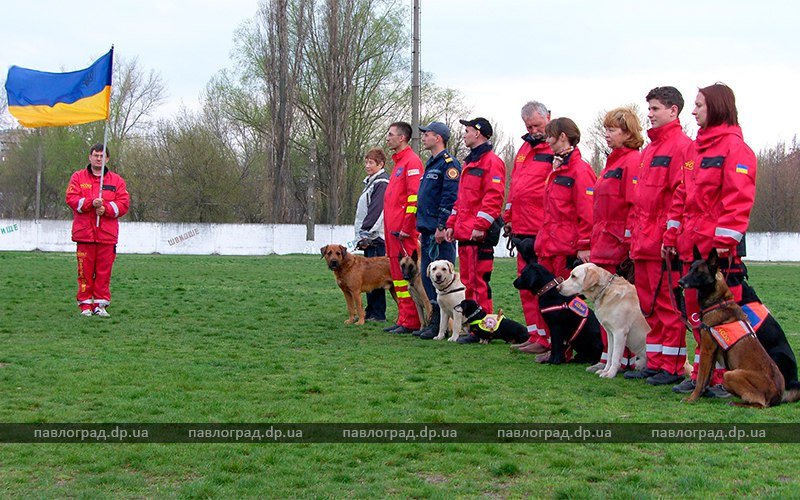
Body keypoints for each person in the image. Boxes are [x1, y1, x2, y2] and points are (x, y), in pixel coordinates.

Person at [667, 83, 757, 397]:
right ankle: (702, 375)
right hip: (692, 246)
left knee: (721, 319)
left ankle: (721, 378)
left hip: (717, 253)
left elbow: (738, 198)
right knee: (697, 316)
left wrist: (725, 241)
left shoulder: (736, 149)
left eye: (699, 105)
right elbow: (682, 193)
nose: (693, 111)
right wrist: (672, 233)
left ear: (716, 107)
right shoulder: (694, 149)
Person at [625, 86, 692, 386]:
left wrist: (671, 237)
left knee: (668, 306)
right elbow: (639, 200)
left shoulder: (682, 147)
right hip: (643, 241)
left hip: (662, 242)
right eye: (649, 109)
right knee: (648, 307)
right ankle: (655, 362)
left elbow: (681, 195)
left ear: (673, 111)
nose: (649, 115)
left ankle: (673, 366)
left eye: (655, 109)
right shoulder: (650, 150)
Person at [529, 117, 596, 360]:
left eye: (550, 136)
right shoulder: (556, 169)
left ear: (563, 137)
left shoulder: (580, 171)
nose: (546, 140)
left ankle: (566, 348)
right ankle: (554, 345)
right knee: (549, 300)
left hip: (565, 247)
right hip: (549, 244)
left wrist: (584, 245)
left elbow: (587, 212)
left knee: (565, 301)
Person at [587, 107, 644, 373]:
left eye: (612, 130)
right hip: (603, 242)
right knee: (603, 305)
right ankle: (609, 356)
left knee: (617, 307)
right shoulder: (613, 162)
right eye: (606, 129)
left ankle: (622, 359)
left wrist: (629, 243)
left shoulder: (631, 161)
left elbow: (634, 204)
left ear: (628, 132)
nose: (607, 134)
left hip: (617, 246)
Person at [445, 117, 505, 343]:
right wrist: (452, 224)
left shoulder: (491, 162)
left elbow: (493, 197)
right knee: (470, 284)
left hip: (477, 235)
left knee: (479, 283)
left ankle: (484, 330)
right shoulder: (469, 164)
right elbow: (462, 201)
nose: (464, 134)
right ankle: (476, 328)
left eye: (467, 131)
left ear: (478, 134)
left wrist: (480, 226)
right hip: (466, 233)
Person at [503, 101, 554, 354]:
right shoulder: (524, 149)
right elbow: (516, 185)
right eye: (529, 126)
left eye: (537, 125)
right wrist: (509, 215)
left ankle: (551, 338)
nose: (533, 130)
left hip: (541, 229)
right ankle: (537, 334)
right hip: (521, 227)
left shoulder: (556, 148)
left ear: (549, 117)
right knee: (526, 287)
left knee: (545, 288)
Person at [65, 143, 130, 317]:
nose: (98, 158)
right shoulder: (78, 177)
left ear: (107, 159)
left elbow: (124, 204)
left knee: (103, 272)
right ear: (90, 157)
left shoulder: (117, 181)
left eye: (102, 156)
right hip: (85, 235)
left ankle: (101, 304)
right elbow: (71, 199)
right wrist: (90, 203)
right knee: (84, 273)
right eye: (96, 155)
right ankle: (85, 305)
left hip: (106, 236)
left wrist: (106, 209)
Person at [413, 121, 461, 340]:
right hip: (427, 230)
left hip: (439, 232)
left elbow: (449, 198)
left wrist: (442, 226)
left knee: (442, 278)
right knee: (428, 278)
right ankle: (435, 323)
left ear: (439, 138)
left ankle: (443, 326)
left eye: (427, 135)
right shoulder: (431, 164)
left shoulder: (448, 165)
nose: (423, 138)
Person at [383, 121, 423, 334]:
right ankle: (404, 317)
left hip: (402, 232)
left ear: (402, 138)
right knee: (397, 276)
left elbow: (414, 198)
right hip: (392, 232)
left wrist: (407, 226)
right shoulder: (399, 163)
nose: (387, 138)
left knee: (407, 274)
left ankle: (412, 320)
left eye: (391, 134)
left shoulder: (411, 162)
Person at [354, 148, 391, 322]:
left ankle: (377, 313)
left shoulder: (381, 183)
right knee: (369, 276)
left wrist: (365, 233)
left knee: (377, 278)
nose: (367, 165)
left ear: (381, 164)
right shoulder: (371, 182)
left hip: (376, 238)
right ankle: (371, 311)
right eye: (366, 161)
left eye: (371, 162)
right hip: (370, 238)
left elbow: (377, 210)